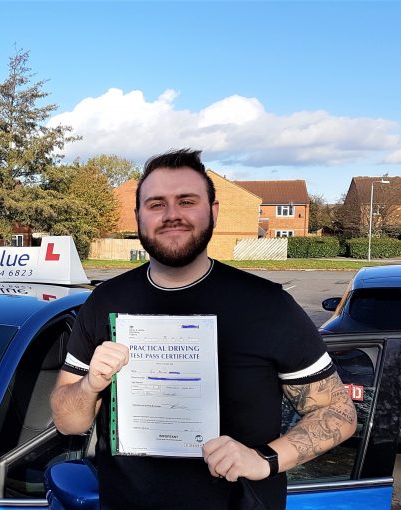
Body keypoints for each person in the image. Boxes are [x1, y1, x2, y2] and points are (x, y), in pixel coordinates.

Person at [50, 149, 357, 510]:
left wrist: (264, 460)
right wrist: (90, 386)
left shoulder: (267, 305)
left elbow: (338, 412)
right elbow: (68, 423)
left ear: (212, 211)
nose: (171, 215)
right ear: (138, 216)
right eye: (156, 204)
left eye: (186, 201)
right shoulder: (104, 301)